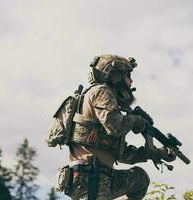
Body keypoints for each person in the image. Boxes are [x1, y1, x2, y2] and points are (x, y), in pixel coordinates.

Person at [67, 54, 176, 200]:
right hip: (90, 177)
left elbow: (121, 154)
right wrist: (137, 121)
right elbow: (115, 126)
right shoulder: (101, 91)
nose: (131, 81)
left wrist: (155, 153)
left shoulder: (103, 101)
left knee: (140, 179)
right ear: (116, 76)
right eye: (128, 75)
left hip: (101, 175)